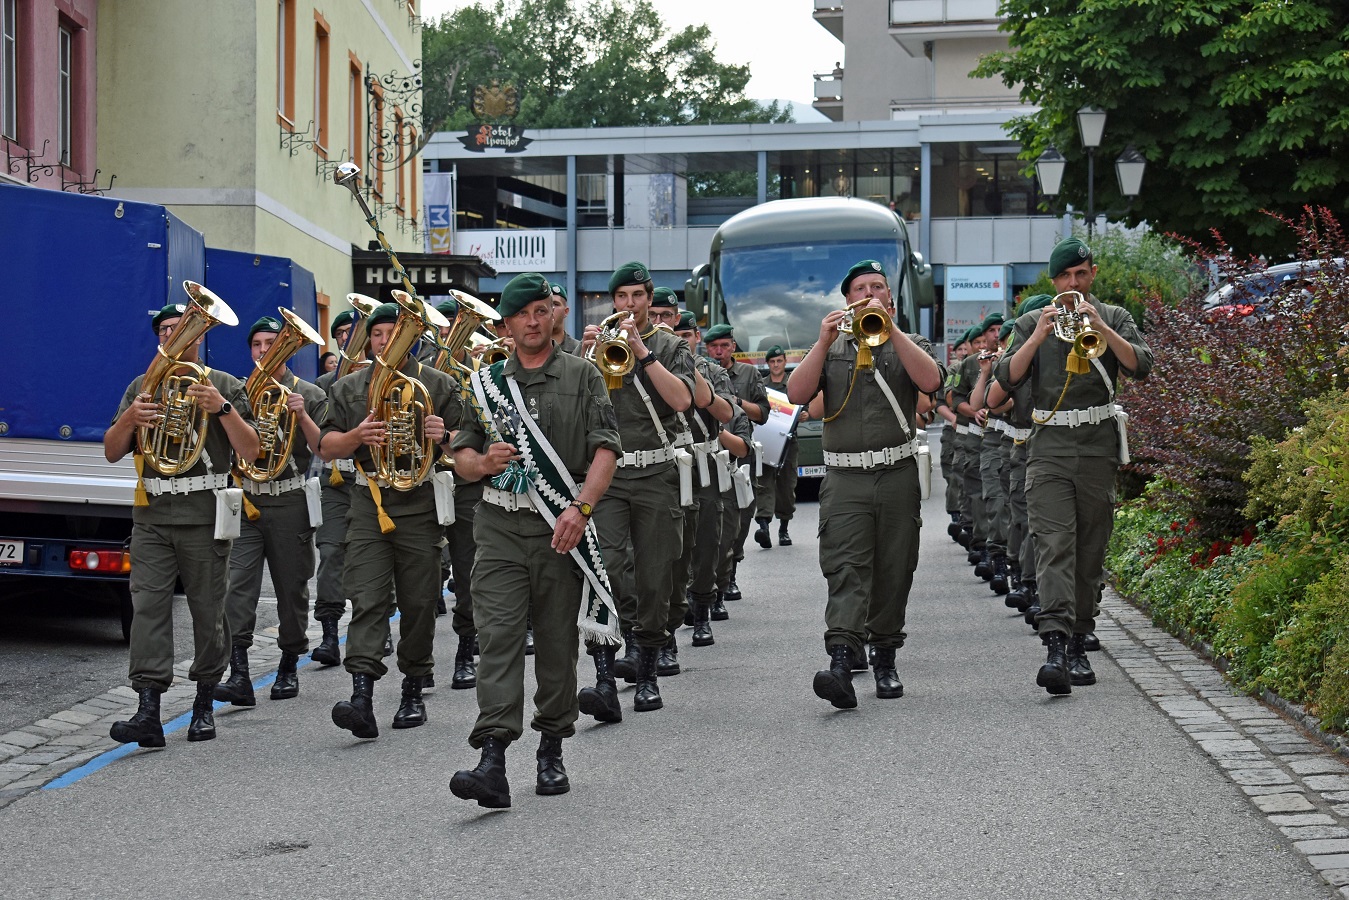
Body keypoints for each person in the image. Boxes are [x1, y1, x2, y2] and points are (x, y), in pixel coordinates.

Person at [448, 273, 621, 808]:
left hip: (559, 530)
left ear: (553, 316)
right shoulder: (483, 384)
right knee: (497, 635)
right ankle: (493, 757)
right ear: (506, 323)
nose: (532, 320)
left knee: (554, 643)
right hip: (499, 526)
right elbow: (461, 457)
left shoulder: (584, 374)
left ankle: (552, 748)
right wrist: (482, 462)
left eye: (541, 310)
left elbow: (606, 450)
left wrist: (581, 509)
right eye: (522, 313)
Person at [990, 238, 1153, 695]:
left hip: (1098, 446)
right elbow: (1005, 380)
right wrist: (1040, 334)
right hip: (1049, 448)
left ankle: (1081, 635)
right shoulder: (1029, 323)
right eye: (1065, 277)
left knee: (1090, 547)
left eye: (1081, 274)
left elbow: (1142, 365)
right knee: (1055, 544)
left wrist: (1100, 326)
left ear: (1092, 274)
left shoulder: (1114, 316)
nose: (1073, 284)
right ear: (1053, 280)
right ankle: (1057, 647)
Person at [787, 259, 943, 709]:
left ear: (891, 298)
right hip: (845, 476)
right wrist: (821, 341)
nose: (871, 293)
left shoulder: (911, 343)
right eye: (861, 288)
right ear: (847, 300)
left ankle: (886, 656)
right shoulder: (831, 348)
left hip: (896, 473)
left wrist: (891, 330)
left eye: (879, 287)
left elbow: (931, 382)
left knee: (894, 568)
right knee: (846, 567)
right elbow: (798, 396)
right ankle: (840, 659)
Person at [104, 299, 261, 746]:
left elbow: (251, 453)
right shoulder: (143, 384)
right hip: (152, 516)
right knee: (147, 609)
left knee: (208, 612)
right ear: (159, 338)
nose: (175, 336)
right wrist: (132, 418)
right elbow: (112, 450)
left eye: (185, 328)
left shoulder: (225, 384)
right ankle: (148, 710)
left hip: (204, 516)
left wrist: (223, 409)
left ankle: (204, 702)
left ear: (201, 335)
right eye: (167, 330)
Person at [318, 300, 463, 738]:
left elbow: (466, 446)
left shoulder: (438, 383)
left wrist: (446, 438)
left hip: (419, 503)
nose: (385, 341)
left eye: (394, 332)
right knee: (367, 596)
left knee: (419, 601)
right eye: (378, 334)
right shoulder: (349, 388)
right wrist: (356, 436)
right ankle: (361, 694)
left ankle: (413, 688)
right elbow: (326, 448)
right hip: (370, 501)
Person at [576, 261, 700, 718]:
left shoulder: (669, 346)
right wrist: (584, 356)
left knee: (654, 575)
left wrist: (642, 353)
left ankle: (646, 673)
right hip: (606, 478)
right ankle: (605, 678)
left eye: (637, 297)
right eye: (622, 298)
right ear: (614, 301)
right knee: (606, 568)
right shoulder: (590, 347)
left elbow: (683, 401)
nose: (629, 305)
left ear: (650, 299)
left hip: (655, 474)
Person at [215, 316, 328, 707]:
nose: (264, 351)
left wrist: (302, 415)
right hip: (245, 499)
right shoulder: (239, 391)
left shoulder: (308, 393)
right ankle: (240, 672)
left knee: (291, 589)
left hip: (289, 499)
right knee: (236, 587)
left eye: (271, 343)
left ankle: (288, 662)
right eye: (257, 345)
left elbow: (324, 449)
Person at [312, 308, 364, 668]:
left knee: (368, 556)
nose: (348, 337)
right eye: (343, 332)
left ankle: (371, 630)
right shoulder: (323, 384)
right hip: (334, 479)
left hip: (370, 480)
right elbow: (317, 438)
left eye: (355, 331)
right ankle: (330, 633)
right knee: (330, 552)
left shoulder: (380, 380)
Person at [703, 323, 768, 606]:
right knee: (715, 524)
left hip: (739, 454)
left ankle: (730, 571)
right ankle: (716, 581)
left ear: (732, 346)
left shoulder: (749, 373)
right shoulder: (698, 370)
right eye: (713, 347)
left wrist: (733, 402)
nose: (718, 351)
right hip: (708, 458)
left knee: (740, 519)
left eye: (724, 346)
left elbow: (763, 413)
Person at [754, 344, 800, 548]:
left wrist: (803, 415)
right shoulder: (761, 386)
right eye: (772, 362)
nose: (776, 365)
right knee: (763, 483)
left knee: (786, 486)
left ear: (784, 361)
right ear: (768, 364)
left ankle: (784, 528)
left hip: (789, 443)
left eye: (779, 361)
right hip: (765, 442)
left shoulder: (793, 384)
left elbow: (804, 406)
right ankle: (763, 526)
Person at [549, 283, 582, 356]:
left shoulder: (579, 349)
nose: (552, 309)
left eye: (556, 304)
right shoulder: (531, 349)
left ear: (566, 311)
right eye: (548, 304)